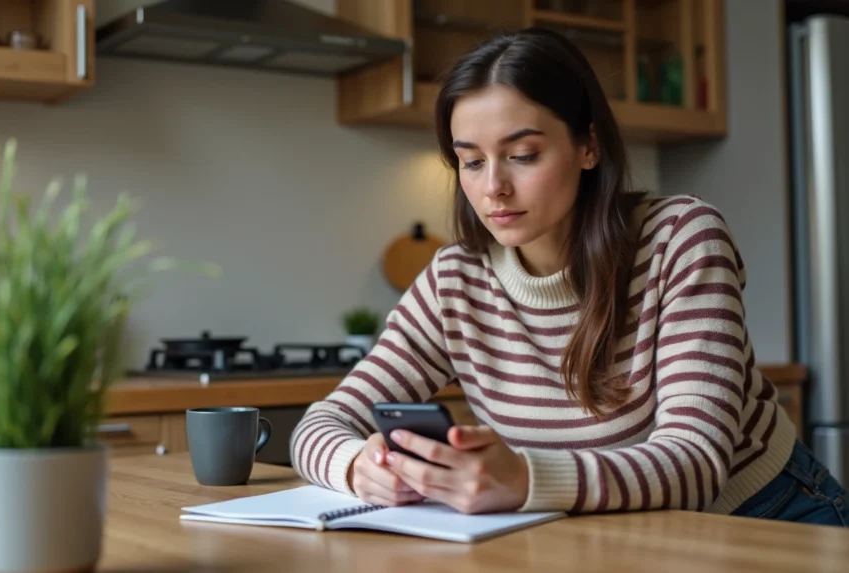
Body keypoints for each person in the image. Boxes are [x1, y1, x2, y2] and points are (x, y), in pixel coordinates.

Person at [289, 27, 848, 526]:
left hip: (764, 515)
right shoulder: (455, 279)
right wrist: (358, 464)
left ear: (588, 146)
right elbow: (323, 423)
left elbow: (695, 464)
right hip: (599, 529)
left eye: (523, 155)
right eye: (472, 161)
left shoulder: (680, 239)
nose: (493, 188)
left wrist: (524, 480)